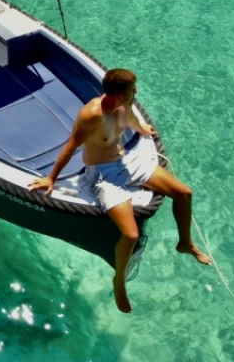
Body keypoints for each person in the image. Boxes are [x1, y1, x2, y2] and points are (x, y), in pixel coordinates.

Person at [28, 68, 210, 313]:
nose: (136, 92)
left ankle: (185, 243)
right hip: (103, 174)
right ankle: (119, 282)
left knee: (184, 193)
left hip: (126, 162)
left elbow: (131, 120)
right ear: (118, 95)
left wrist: (142, 130)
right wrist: (51, 178)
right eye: (132, 90)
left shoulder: (126, 105)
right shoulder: (91, 115)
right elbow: (71, 146)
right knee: (131, 235)